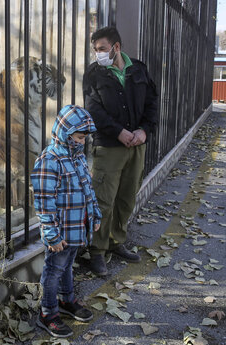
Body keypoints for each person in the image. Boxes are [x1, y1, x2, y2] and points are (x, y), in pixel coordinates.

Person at [82, 26, 158, 276]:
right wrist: (119, 132)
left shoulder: (138, 69)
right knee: (103, 200)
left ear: (116, 47)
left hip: (136, 145)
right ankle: (97, 251)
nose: (98, 54)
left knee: (127, 197)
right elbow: (94, 109)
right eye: (95, 50)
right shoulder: (94, 74)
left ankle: (116, 242)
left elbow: (151, 103)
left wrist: (144, 130)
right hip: (109, 145)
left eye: (102, 49)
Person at [31, 104, 102, 337]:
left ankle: (66, 300)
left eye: (84, 138)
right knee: (53, 270)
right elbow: (43, 201)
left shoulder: (78, 157)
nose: (82, 142)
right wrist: (51, 234)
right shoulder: (49, 160)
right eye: (79, 137)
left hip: (76, 229)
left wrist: (95, 215)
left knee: (67, 266)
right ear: (65, 131)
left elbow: (88, 189)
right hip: (60, 232)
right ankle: (48, 312)